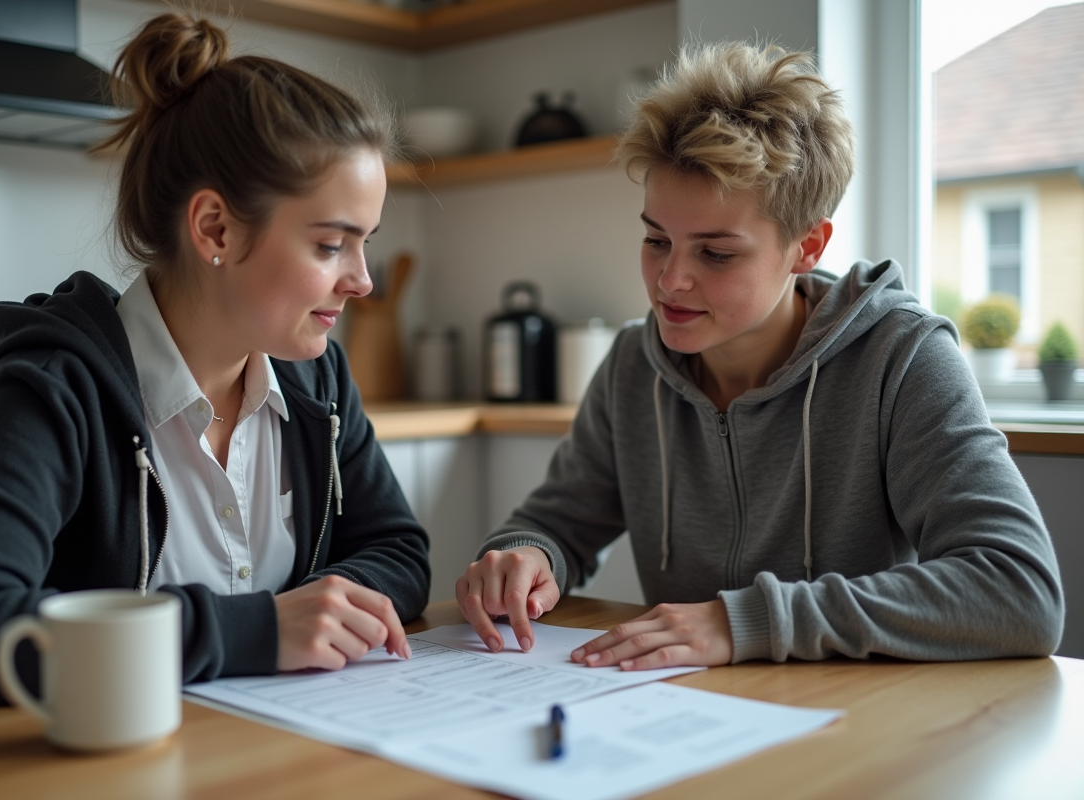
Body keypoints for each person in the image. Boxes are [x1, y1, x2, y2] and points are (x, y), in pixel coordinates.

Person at [456, 42, 1064, 668]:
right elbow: (560, 521)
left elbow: (1018, 589)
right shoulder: (633, 364)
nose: (670, 281)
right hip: (685, 714)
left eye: (715, 253)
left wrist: (746, 620)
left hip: (855, 727)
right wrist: (525, 555)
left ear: (808, 246)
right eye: (655, 239)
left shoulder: (901, 358)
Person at [0, 13, 429, 708]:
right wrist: (256, 629)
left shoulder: (315, 380)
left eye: (366, 243)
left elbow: (400, 551)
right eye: (331, 244)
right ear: (216, 229)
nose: (363, 281)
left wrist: (313, 616)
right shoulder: (59, 386)